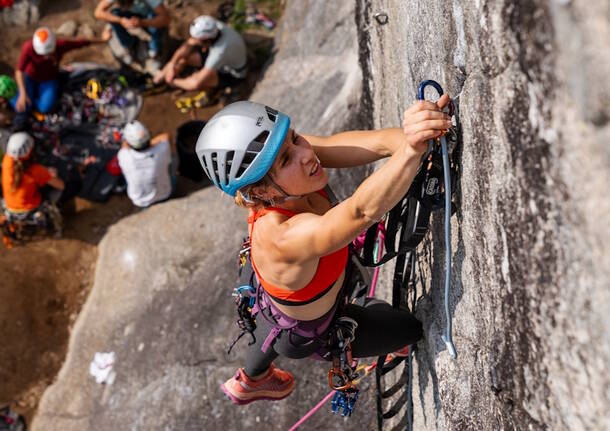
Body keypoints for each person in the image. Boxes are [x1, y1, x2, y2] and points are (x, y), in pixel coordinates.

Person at [195, 98, 453, 404]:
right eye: (286, 159)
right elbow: (357, 214)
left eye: (294, 137)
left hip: (286, 286)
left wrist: (422, 130)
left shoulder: (287, 168)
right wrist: (412, 149)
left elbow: (372, 143)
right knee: (406, 330)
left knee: (269, 320)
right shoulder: (282, 237)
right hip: (313, 329)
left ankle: (251, 378)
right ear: (261, 192)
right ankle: (253, 380)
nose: (306, 153)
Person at [12, 27, 111, 115]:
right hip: (30, 78)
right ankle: (28, 99)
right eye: (43, 54)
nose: (46, 57)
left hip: (49, 80)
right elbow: (19, 71)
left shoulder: (61, 46)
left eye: (49, 53)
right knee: (21, 107)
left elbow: (81, 42)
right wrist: (22, 93)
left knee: (44, 108)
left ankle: (33, 100)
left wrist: (103, 40)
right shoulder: (28, 47)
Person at [153, 15, 247, 93]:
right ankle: (168, 74)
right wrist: (171, 64)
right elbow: (188, 44)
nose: (192, 40)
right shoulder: (214, 26)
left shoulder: (218, 53)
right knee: (184, 59)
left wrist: (172, 81)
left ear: (205, 40)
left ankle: (212, 91)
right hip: (226, 57)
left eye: (195, 38)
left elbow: (196, 83)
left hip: (233, 74)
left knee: (196, 79)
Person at [117, 120, 177, 207]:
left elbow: (124, 146)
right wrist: (150, 143)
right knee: (173, 159)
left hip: (141, 201)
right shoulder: (162, 149)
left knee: (127, 174)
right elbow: (166, 136)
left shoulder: (124, 156)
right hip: (166, 193)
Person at [94, 0, 170, 69]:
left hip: (149, 17)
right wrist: (121, 21)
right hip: (135, 15)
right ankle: (130, 45)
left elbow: (165, 19)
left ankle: (154, 51)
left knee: (154, 17)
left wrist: (143, 22)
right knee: (114, 13)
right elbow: (98, 13)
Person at [1, 132, 65, 213]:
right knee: (59, 189)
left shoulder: (6, 160)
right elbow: (61, 185)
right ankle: (52, 208)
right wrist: (50, 174)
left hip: (9, 205)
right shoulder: (35, 170)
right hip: (29, 207)